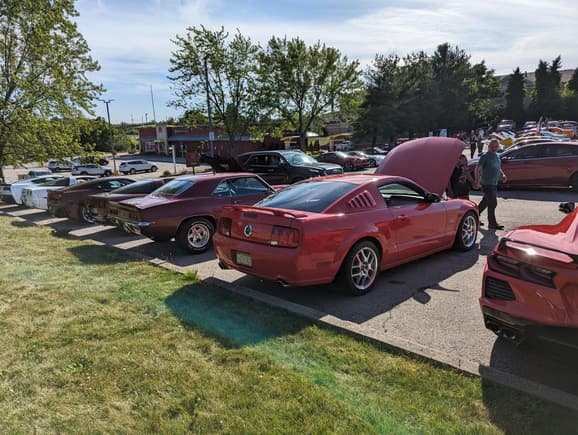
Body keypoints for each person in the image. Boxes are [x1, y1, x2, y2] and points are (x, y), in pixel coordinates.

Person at [474, 138, 507, 230]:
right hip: (486, 183)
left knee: (485, 202)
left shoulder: (497, 156)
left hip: (494, 183)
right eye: (492, 146)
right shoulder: (485, 156)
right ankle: (492, 223)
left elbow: (498, 167)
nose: (494, 148)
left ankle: (475, 215)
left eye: (496, 146)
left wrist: (503, 175)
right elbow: (478, 169)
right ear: (488, 146)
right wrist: (477, 181)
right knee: (492, 203)